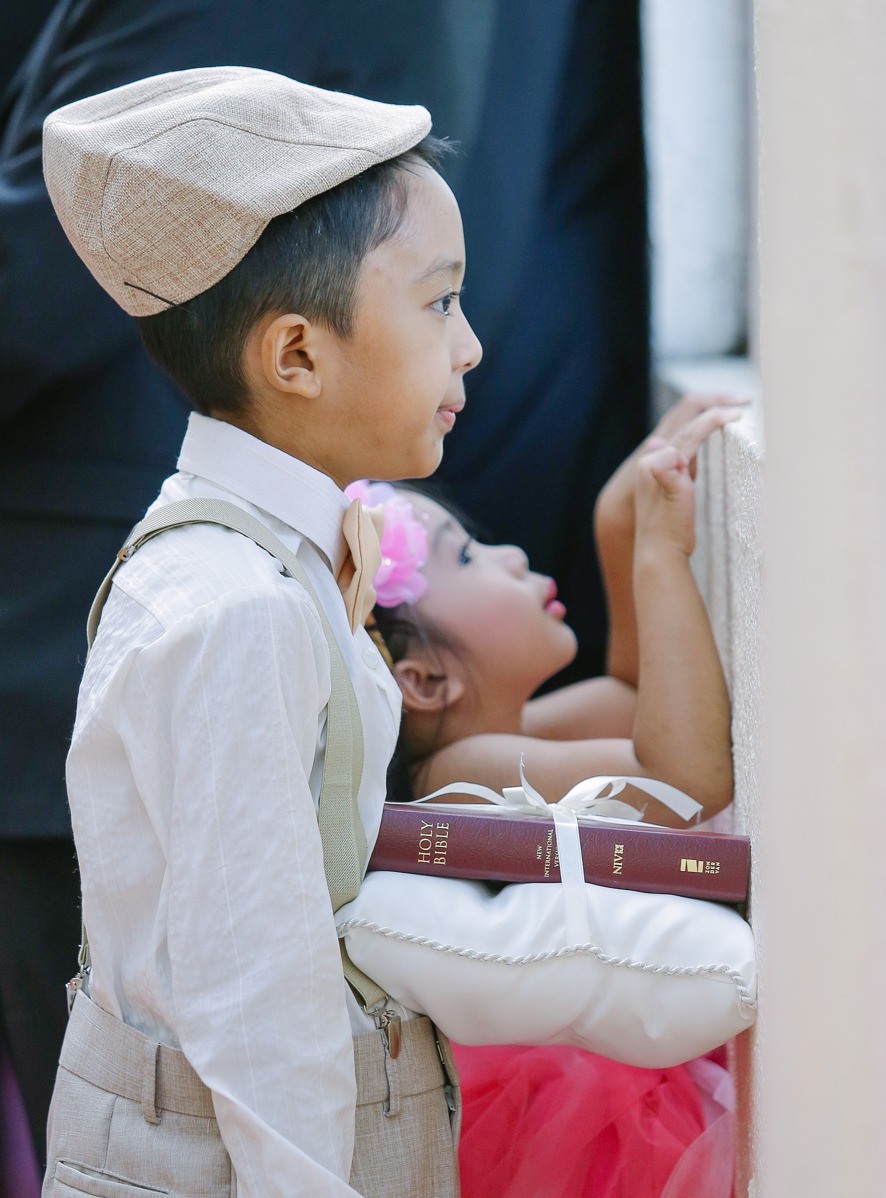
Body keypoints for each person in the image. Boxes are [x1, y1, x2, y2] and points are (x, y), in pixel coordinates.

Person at [39, 67, 481, 1196]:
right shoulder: (233, 612)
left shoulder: (284, 554)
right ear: (295, 357)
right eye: (439, 302)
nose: (469, 345)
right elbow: (257, 999)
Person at [360, 393, 747, 1196]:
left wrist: (619, 522)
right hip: (574, 1093)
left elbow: (634, 697)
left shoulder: (491, 737)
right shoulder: (458, 780)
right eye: (466, 559)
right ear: (424, 680)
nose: (506, 554)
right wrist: (659, 557)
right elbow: (686, 780)